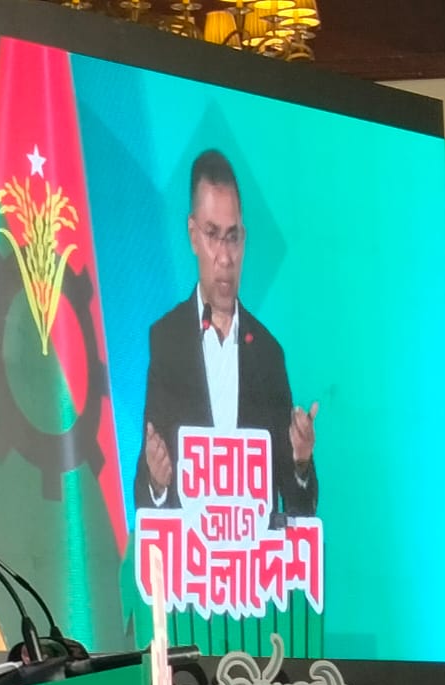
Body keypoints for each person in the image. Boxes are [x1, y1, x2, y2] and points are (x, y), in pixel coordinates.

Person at [133, 149, 318, 516]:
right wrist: (157, 481)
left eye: (232, 237)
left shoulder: (268, 355)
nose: (224, 256)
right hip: (191, 552)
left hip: (254, 554)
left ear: (244, 240)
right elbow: (144, 495)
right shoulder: (167, 341)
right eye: (212, 235)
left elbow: (300, 507)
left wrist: (300, 462)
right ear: (192, 235)